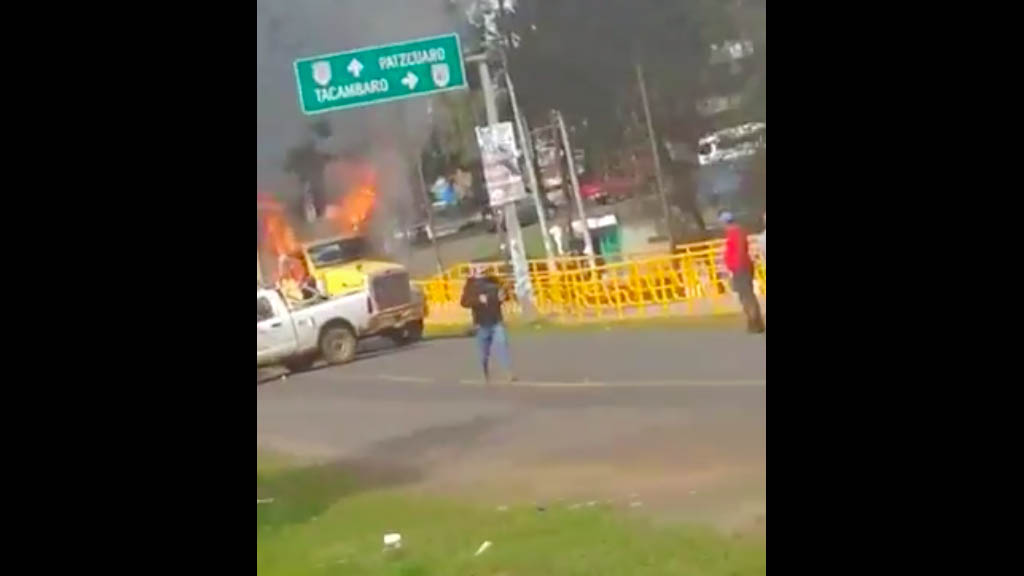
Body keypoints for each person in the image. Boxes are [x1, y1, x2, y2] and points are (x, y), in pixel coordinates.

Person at [461, 267, 514, 383]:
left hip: (496, 321)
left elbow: (504, 296)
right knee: (483, 352)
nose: (482, 270)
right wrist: (478, 300)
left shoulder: (493, 281)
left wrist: (504, 296)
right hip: (481, 324)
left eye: (483, 268)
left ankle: (507, 372)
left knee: (502, 346)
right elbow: (464, 302)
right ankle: (485, 372)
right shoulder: (470, 286)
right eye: (478, 269)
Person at [722, 212, 765, 334]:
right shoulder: (738, 232)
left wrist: (736, 266)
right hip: (741, 266)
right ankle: (755, 322)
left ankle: (754, 322)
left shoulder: (735, 233)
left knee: (746, 296)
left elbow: (738, 251)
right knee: (747, 295)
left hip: (740, 268)